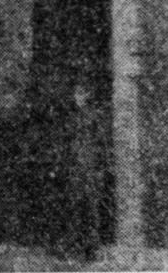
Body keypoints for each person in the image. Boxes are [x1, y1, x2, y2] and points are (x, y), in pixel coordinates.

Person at [61, 80, 105, 261]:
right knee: (75, 209)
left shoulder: (93, 115)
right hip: (75, 168)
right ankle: (75, 248)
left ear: (87, 95)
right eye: (75, 94)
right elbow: (66, 142)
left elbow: (100, 142)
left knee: (91, 210)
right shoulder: (71, 117)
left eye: (80, 93)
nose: (76, 97)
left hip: (90, 167)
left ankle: (91, 249)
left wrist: (99, 167)